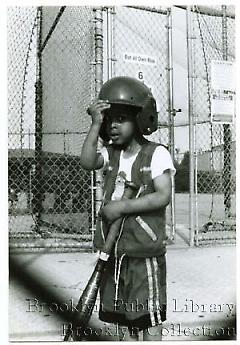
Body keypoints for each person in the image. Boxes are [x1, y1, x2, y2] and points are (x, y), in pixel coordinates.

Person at [80, 76, 175, 341]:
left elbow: (162, 196)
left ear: (141, 119)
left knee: (147, 321)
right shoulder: (111, 153)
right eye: (110, 120)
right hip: (112, 256)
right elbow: (87, 162)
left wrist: (122, 207)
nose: (113, 126)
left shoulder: (156, 154)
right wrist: (95, 123)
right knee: (119, 324)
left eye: (121, 119)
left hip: (143, 256)